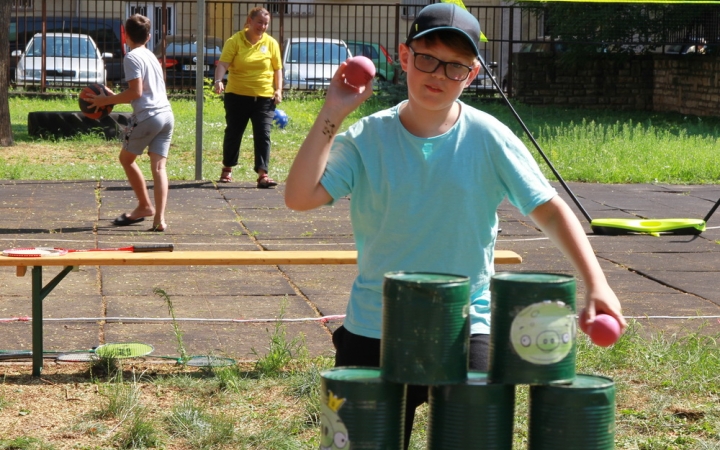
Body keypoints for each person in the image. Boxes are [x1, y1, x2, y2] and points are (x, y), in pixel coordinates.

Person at [284, 3, 627, 446]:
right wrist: (333, 110)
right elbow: (298, 198)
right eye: (427, 58)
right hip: (375, 325)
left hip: (465, 327)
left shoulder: (490, 137)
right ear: (404, 58)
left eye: (455, 67)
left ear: (471, 75)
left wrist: (597, 283)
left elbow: (551, 209)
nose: (438, 74)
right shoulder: (368, 137)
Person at [87, 14, 174, 232]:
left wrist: (105, 100)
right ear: (148, 36)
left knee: (126, 159)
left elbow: (135, 92)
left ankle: (145, 206)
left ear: (125, 34)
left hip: (149, 117)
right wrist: (116, 96)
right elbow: (144, 90)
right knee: (159, 167)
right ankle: (159, 220)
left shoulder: (132, 57)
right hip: (166, 115)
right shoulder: (151, 56)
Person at [213, 7, 283, 188]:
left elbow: (277, 68)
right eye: (259, 22)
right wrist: (218, 80)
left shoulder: (271, 43)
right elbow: (223, 64)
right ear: (250, 21)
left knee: (263, 134)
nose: (263, 26)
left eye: (266, 23)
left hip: (264, 98)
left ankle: (263, 174)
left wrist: (278, 90)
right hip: (237, 96)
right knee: (234, 132)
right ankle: (227, 168)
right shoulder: (235, 41)